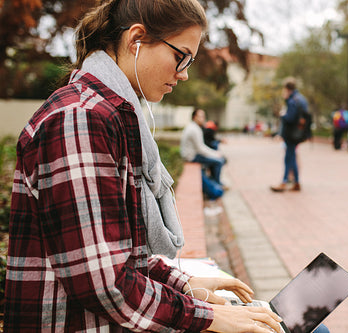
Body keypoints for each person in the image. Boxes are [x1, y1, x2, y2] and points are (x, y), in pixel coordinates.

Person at [4, 0, 282, 332]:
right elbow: (105, 282)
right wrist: (211, 317)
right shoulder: (80, 119)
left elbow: (118, 252)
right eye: (181, 56)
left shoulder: (109, 116)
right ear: (136, 39)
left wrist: (185, 284)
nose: (185, 73)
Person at [270, 77, 309, 192]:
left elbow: (290, 118)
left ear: (287, 89)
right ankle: (296, 181)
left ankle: (284, 181)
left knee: (289, 157)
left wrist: (282, 115)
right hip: (299, 133)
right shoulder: (302, 99)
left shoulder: (292, 101)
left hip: (291, 134)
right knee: (292, 156)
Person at [181, 108, 227, 188]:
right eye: (201, 116)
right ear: (194, 117)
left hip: (193, 154)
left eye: (203, 116)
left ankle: (215, 182)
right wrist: (216, 154)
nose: (203, 118)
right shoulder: (194, 129)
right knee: (219, 161)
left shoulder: (193, 127)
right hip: (192, 156)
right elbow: (201, 149)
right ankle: (217, 185)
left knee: (217, 159)